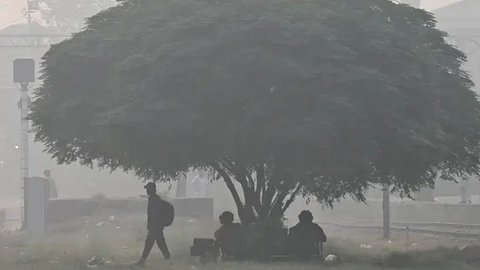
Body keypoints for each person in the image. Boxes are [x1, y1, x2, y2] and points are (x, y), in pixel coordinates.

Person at [136, 182, 171, 266]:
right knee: (161, 243)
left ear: (151, 190)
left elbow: (154, 215)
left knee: (149, 244)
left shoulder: (154, 200)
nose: (146, 191)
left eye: (148, 189)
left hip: (155, 227)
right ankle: (169, 259)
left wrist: (152, 227)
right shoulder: (155, 199)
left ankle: (142, 261)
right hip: (157, 226)